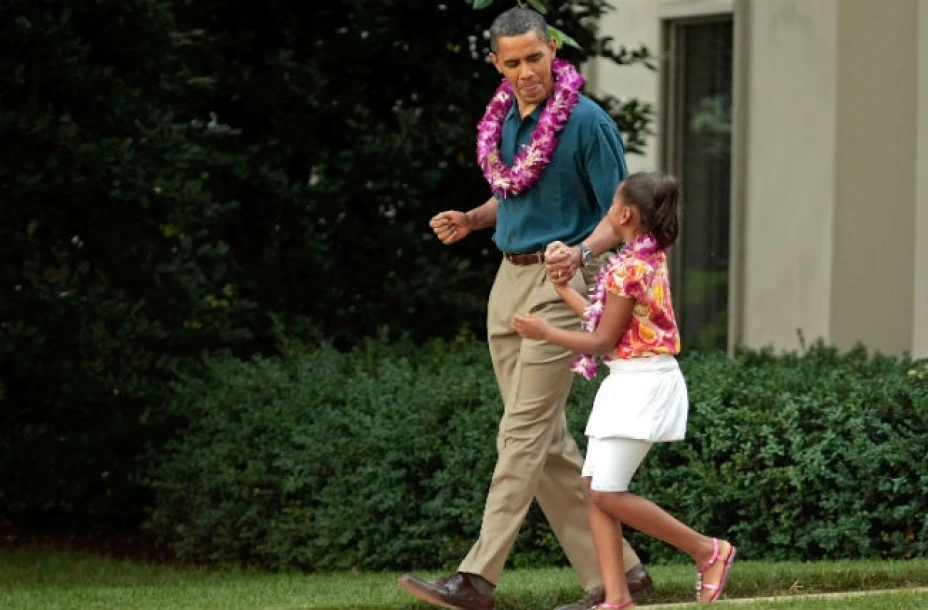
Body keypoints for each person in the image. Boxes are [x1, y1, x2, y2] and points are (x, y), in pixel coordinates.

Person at [397, 7, 653, 610]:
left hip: (563, 287)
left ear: (552, 51)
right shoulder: (505, 120)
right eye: (511, 62)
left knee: (520, 434)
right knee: (545, 444)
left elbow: (624, 215)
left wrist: (578, 255)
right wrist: (472, 218)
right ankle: (625, 575)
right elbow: (514, 191)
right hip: (507, 283)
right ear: (497, 64)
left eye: (534, 58)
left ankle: (478, 577)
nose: (526, 71)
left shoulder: (587, 123)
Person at [512, 171, 738, 608]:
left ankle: (708, 551)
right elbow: (608, 324)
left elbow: (600, 341)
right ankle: (616, 598)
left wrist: (544, 332)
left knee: (606, 492)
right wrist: (563, 289)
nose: (608, 211)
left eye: (613, 204)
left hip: (643, 383)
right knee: (595, 487)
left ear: (626, 214)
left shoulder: (630, 266)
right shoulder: (642, 259)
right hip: (629, 381)